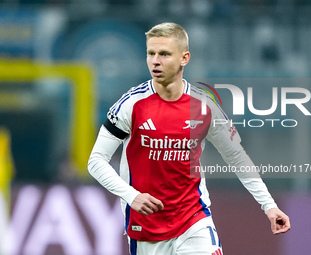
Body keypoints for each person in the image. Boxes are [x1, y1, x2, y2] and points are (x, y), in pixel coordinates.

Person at [88, 22, 290, 255]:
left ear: (184, 58)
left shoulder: (204, 106)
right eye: (150, 53)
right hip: (146, 226)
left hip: (193, 219)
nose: (155, 60)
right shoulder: (131, 105)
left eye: (164, 54)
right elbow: (96, 161)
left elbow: (236, 157)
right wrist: (131, 196)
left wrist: (269, 206)